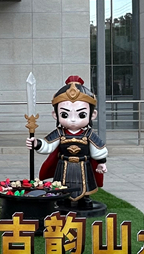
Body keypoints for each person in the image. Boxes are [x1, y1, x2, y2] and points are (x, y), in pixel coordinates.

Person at [26, 75, 108, 209]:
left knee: (85, 184)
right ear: (55, 115)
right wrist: (36, 144)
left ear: (93, 115)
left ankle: (84, 199)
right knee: (61, 185)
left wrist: (101, 162)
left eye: (81, 115)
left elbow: (98, 150)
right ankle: (62, 199)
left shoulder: (88, 134)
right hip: (63, 164)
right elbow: (48, 145)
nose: (73, 120)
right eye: (65, 115)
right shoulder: (60, 133)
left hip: (83, 165)